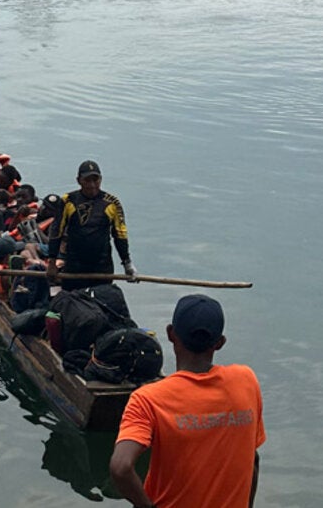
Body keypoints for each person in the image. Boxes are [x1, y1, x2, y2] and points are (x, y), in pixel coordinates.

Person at [109, 295, 264, 508]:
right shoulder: (246, 381)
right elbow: (252, 461)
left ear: (171, 334)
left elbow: (121, 467)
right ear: (219, 343)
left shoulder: (148, 399)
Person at [45, 160, 135, 290]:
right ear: (79, 180)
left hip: (102, 268)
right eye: (87, 180)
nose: (92, 185)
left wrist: (127, 264)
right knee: (73, 304)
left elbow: (120, 235)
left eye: (96, 180)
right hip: (74, 267)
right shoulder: (68, 200)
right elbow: (56, 231)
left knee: (101, 305)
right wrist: (51, 263)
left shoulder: (112, 203)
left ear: (101, 179)